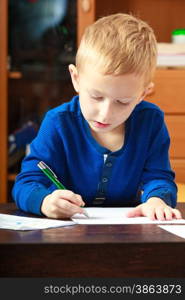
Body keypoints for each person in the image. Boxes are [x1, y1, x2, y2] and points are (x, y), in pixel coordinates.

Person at [12, 13, 182, 221]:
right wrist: (44, 201)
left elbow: (159, 177)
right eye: (96, 96)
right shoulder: (58, 122)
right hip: (66, 238)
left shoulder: (151, 121)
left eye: (122, 102)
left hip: (129, 236)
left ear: (143, 94)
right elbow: (26, 183)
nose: (105, 113)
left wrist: (157, 199)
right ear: (76, 79)